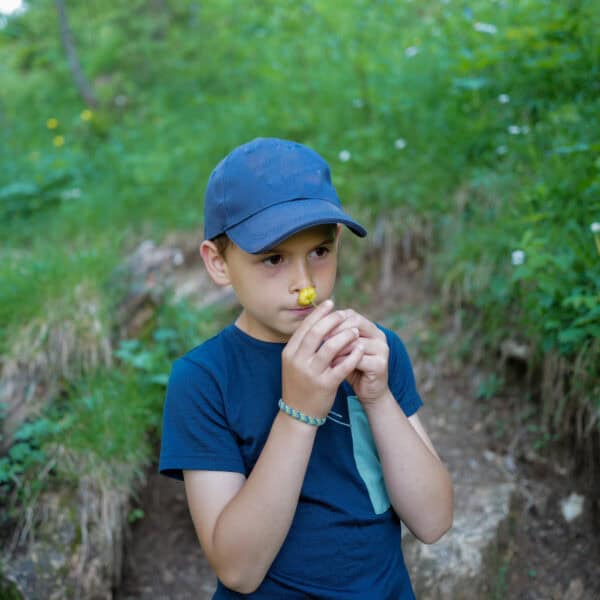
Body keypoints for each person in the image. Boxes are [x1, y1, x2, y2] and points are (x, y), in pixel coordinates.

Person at [159, 137, 453, 599]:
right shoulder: (203, 380)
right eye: (273, 259)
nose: (305, 286)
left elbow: (434, 522)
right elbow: (238, 569)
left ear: (337, 240)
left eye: (319, 252)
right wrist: (298, 414)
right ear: (218, 262)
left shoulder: (374, 350)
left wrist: (377, 399)